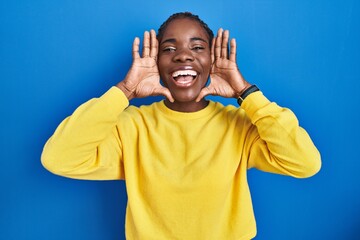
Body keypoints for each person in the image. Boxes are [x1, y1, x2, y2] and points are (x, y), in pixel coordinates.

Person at [41, 12, 321, 240]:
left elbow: (305, 163)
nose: (183, 56)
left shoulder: (240, 126)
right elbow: (58, 158)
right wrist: (124, 91)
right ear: (157, 63)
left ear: (212, 62)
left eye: (197, 47)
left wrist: (245, 93)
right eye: (169, 49)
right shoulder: (131, 127)